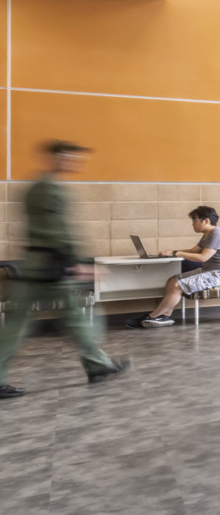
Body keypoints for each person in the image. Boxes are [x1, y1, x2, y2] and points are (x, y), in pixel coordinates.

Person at [0, 141, 129, 398]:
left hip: (36, 266)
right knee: (78, 319)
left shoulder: (35, 187)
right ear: (57, 158)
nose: (75, 163)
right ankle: (98, 365)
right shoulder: (51, 190)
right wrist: (79, 263)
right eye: (71, 157)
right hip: (52, 268)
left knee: (18, 324)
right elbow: (59, 232)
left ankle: (98, 365)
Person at [131, 206, 220, 328]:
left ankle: (151, 317)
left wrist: (177, 253)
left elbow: (202, 257)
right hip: (211, 271)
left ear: (206, 221)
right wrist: (172, 252)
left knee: (178, 286)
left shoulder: (217, 235)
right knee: (173, 281)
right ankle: (164, 316)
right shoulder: (207, 235)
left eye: (195, 220)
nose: (192, 224)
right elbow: (194, 250)